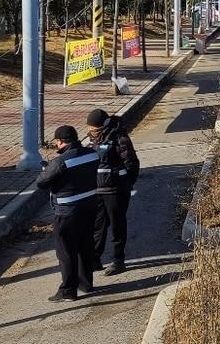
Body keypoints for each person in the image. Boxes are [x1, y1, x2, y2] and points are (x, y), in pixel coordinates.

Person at [37, 126, 99, 301]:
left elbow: (41, 183)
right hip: (90, 206)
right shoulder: (92, 154)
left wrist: (46, 169)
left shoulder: (60, 162)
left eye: (57, 141)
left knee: (66, 252)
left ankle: (68, 291)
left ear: (61, 141)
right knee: (85, 246)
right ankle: (86, 284)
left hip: (68, 212)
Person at [87, 109, 139, 276]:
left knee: (117, 226)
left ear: (102, 126)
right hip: (98, 190)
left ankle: (118, 261)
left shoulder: (119, 139)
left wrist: (125, 183)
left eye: (93, 128)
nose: (90, 131)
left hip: (116, 191)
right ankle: (95, 259)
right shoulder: (93, 139)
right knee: (98, 226)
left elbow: (131, 163)